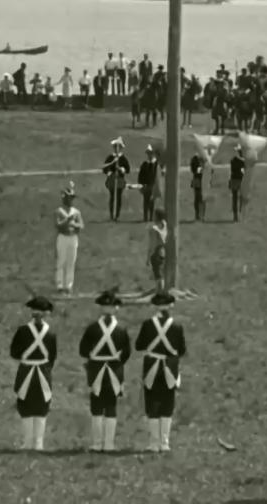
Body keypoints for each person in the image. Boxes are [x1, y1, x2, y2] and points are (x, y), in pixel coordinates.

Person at [134, 290, 186, 453]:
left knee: (152, 404)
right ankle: (164, 442)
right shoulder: (177, 326)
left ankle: (153, 442)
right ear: (171, 305)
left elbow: (139, 346)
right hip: (170, 366)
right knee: (167, 404)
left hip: (151, 366)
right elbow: (182, 350)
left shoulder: (148, 325)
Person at [79, 291, 131, 452]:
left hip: (96, 370)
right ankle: (109, 444)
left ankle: (97, 443)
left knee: (96, 407)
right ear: (116, 308)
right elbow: (126, 353)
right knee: (111, 406)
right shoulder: (121, 330)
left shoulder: (92, 329)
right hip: (114, 370)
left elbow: (83, 350)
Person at [10, 296, 57, 451]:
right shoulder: (50, 333)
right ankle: (38, 443)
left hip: (26, 371)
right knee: (42, 407)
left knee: (25, 406)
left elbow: (14, 352)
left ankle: (28, 442)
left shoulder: (22, 331)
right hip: (43, 371)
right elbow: (52, 356)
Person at [55, 183, 83, 295]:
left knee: (71, 262)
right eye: (68, 198)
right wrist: (67, 220)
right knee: (61, 261)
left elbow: (81, 225)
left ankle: (69, 285)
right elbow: (58, 224)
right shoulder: (59, 211)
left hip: (73, 238)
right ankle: (60, 285)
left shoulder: (76, 212)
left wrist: (74, 224)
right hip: (62, 237)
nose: (70, 200)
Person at [102, 137, 130, 221]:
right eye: (115, 147)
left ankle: (117, 215)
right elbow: (105, 167)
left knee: (118, 198)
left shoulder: (123, 158)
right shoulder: (111, 158)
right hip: (111, 179)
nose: (117, 149)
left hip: (120, 180)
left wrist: (122, 169)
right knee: (112, 197)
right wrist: (108, 172)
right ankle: (111, 214)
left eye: (118, 147)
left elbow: (128, 169)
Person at [138, 146, 160, 222]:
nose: (149, 155)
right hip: (146, 185)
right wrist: (141, 185)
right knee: (145, 201)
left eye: (151, 153)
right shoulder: (144, 164)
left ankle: (151, 217)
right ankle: (145, 217)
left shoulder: (156, 164)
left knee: (152, 202)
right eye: (148, 153)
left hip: (153, 185)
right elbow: (141, 175)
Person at [148, 211, 169, 288]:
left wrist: (148, 257)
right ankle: (161, 291)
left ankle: (160, 293)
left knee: (158, 276)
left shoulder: (154, 229)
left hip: (156, 252)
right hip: (163, 251)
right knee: (161, 273)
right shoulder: (165, 225)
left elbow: (152, 244)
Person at [229, 147, 246, 222]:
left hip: (234, 180)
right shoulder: (243, 161)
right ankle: (240, 213)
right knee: (241, 198)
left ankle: (235, 215)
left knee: (235, 198)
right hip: (240, 180)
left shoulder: (233, 160)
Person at [190, 150, 206, 221]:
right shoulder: (196, 159)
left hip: (198, 179)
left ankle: (199, 215)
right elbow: (197, 171)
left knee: (198, 198)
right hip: (198, 179)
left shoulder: (196, 159)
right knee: (199, 198)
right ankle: (199, 215)